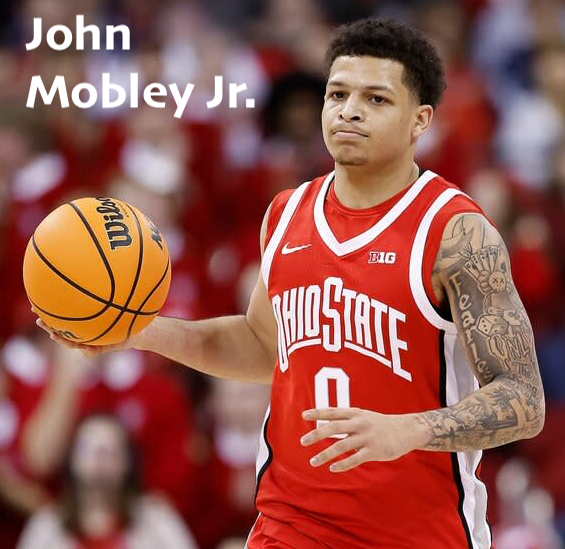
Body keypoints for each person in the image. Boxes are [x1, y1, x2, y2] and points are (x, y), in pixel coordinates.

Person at [37, 17, 545, 549]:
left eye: (375, 99)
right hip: (290, 525)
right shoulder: (286, 214)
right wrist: (136, 330)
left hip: (418, 533)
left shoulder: (456, 233)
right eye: (338, 94)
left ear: (420, 120)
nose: (349, 110)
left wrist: (409, 430)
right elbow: (263, 348)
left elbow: (524, 400)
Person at [17, 413, 198, 549]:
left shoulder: (157, 520)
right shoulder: (46, 526)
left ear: (128, 463)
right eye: (89, 448)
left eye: (111, 450)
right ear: (71, 460)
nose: (100, 457)